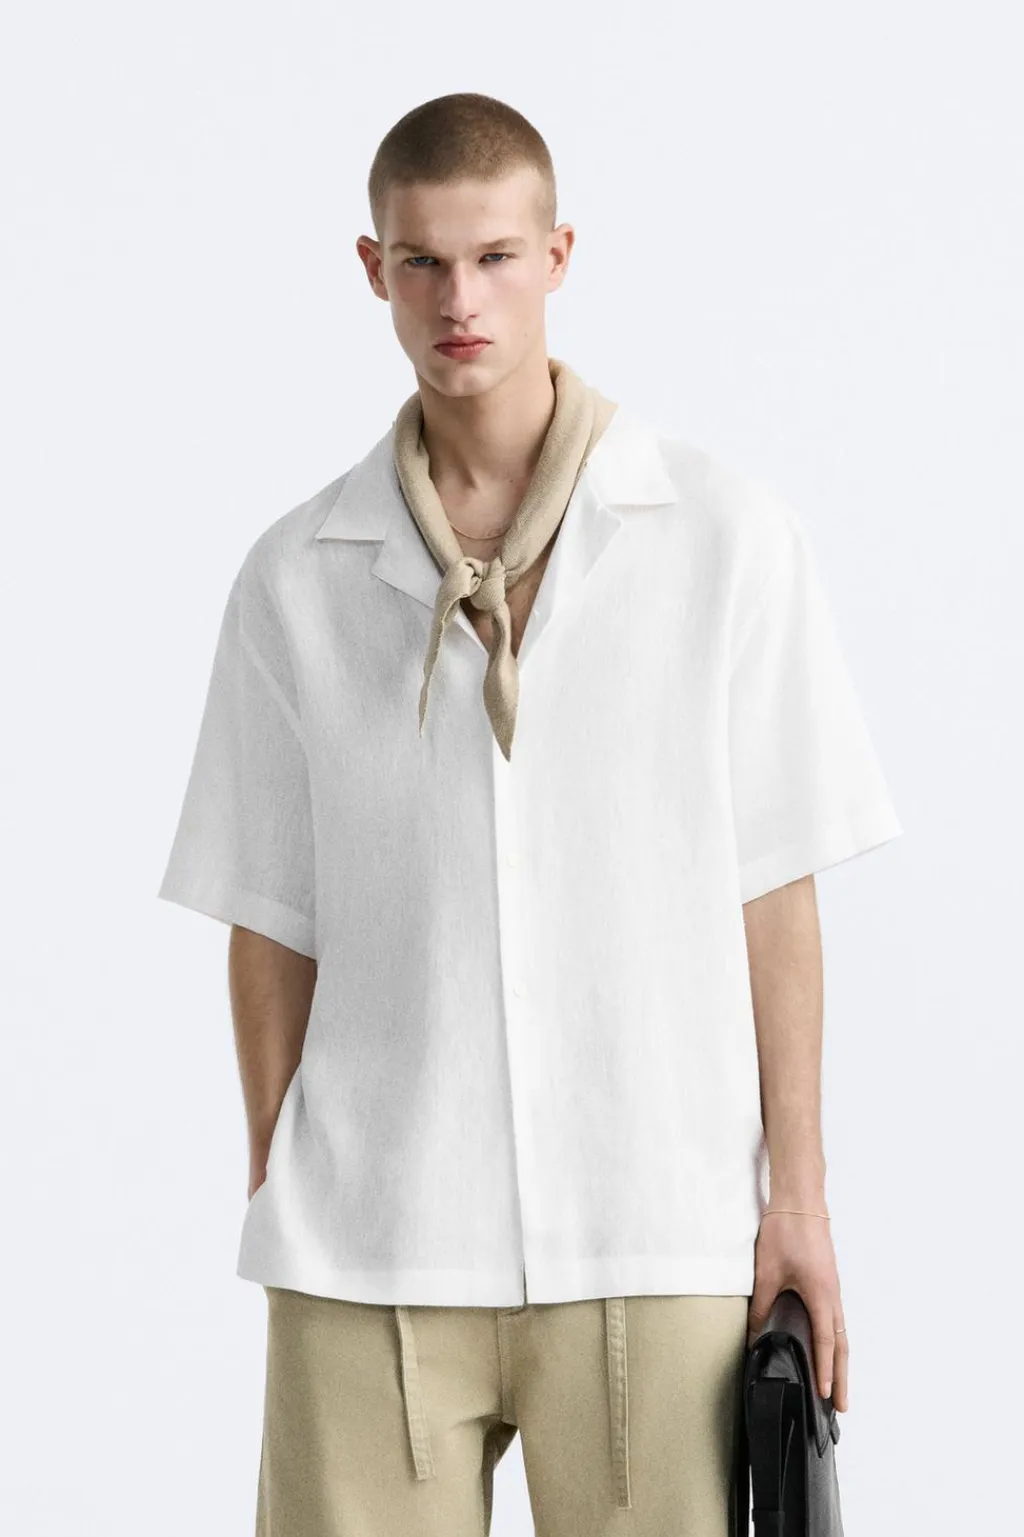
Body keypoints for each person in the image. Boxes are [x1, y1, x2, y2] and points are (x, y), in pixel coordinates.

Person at [157, 91, 902, 1537]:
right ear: (372, 269)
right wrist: (280, 1165)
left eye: (496, 257)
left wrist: (798, 1203)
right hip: (369, 1241)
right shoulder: (297, 576)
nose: (461, 301)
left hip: (655, 1225)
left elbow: (774, 894)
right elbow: (269, 909)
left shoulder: (722, 540)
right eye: (424, 262)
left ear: (559, 256)